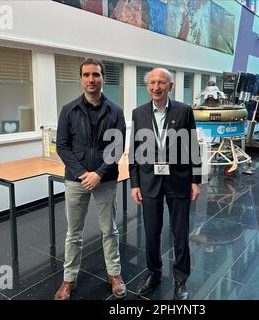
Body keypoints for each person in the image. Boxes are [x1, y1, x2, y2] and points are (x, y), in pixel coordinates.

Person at [54, 58, 126, 300]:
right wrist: (83, 173)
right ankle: (69, 279)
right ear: (81, 78)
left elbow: (118, 146)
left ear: (103, 78)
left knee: (109, 230)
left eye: (95, 74)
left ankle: (114, 274)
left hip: (105, 179)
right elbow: (62, 146)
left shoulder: (115, 110)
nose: (91, 79)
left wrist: (99, 173)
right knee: (73, 232)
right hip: (76, 180)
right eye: (86, 75)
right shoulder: (68, 110)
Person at [129, 68, 201, 300]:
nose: (156, 87)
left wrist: (195, 180)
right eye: (152, 83)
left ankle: (181, 279)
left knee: (179, 232)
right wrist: (135, 183)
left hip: (178, 179)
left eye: (161, 82)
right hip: (149, 180)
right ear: (147, 86)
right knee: (151, 232)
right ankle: (153, 273)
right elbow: (135, 150)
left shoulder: (183, 111)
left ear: (170, 86)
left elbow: (193, 146)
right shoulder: (138, 113)